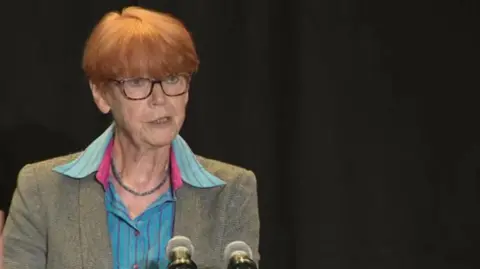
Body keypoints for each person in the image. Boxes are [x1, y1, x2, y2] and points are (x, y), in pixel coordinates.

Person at [1, 6, 260, 269]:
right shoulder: (41, 190)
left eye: (172, 79)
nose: (160, 99)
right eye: (137, 82)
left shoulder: (232, 192)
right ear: (101, 94)